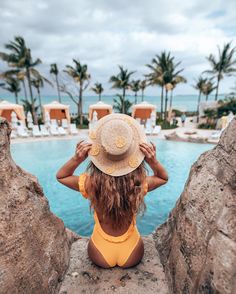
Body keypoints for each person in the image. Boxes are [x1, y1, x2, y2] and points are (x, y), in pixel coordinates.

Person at [56, 113, 168, 269]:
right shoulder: (138, 184)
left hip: (100, 252)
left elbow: (61, 176)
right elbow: (163, 178)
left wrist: (77, 158)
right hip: (132, 251)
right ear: (133, 154)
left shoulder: (92, 184)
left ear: (99, 156)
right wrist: (153, 161)